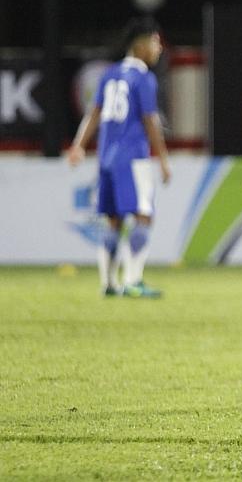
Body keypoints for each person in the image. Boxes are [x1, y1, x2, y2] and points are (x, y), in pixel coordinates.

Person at [66, 17, 171, 298]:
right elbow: (150, 121)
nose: (158, 49)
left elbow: (94, 113)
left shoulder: (110, 74)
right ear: (142, 45)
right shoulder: (144, 78)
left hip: (106, 157)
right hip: (134, 156)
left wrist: (78, 145)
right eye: (156, 42)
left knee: (113, 219)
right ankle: (133, 280)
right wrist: (162, 159)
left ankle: (108, 283)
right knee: (143, 215)